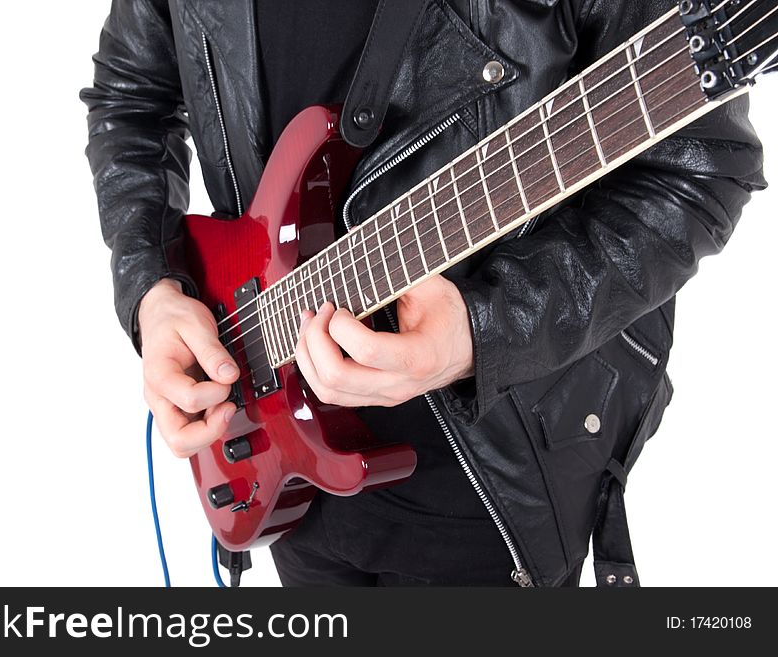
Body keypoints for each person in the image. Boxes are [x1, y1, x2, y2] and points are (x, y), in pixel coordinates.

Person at [81, 0, 766, 587]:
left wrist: (481, 329)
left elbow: (699, 171)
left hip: (492, 488)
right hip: (283, 468)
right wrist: (151, 290)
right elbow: (130, 94)